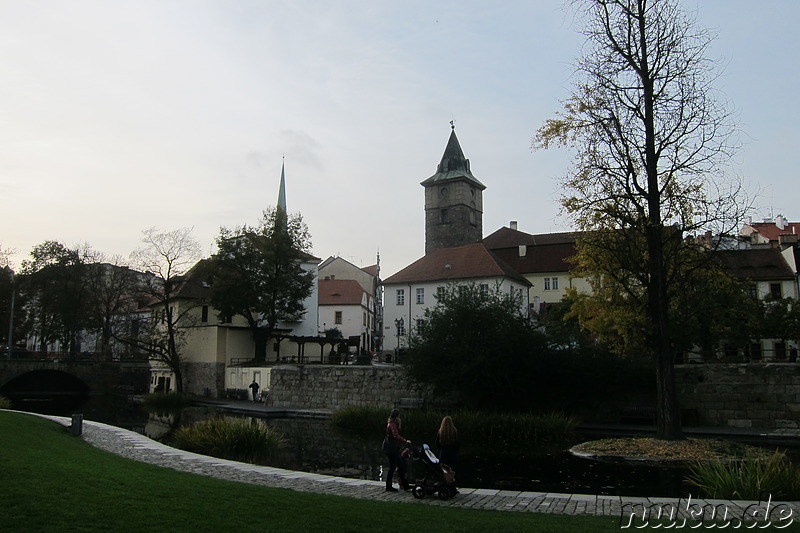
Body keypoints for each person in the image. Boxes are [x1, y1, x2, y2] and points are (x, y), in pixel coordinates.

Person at [382, 408, 411, 492]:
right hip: (392, 448)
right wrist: (405, 441)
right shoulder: (392, 424)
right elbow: (396, 435)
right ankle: (389, 486)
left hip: (394, 447)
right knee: (393, 466)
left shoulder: (392, 423)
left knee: (400, 465)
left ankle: (405, 485)